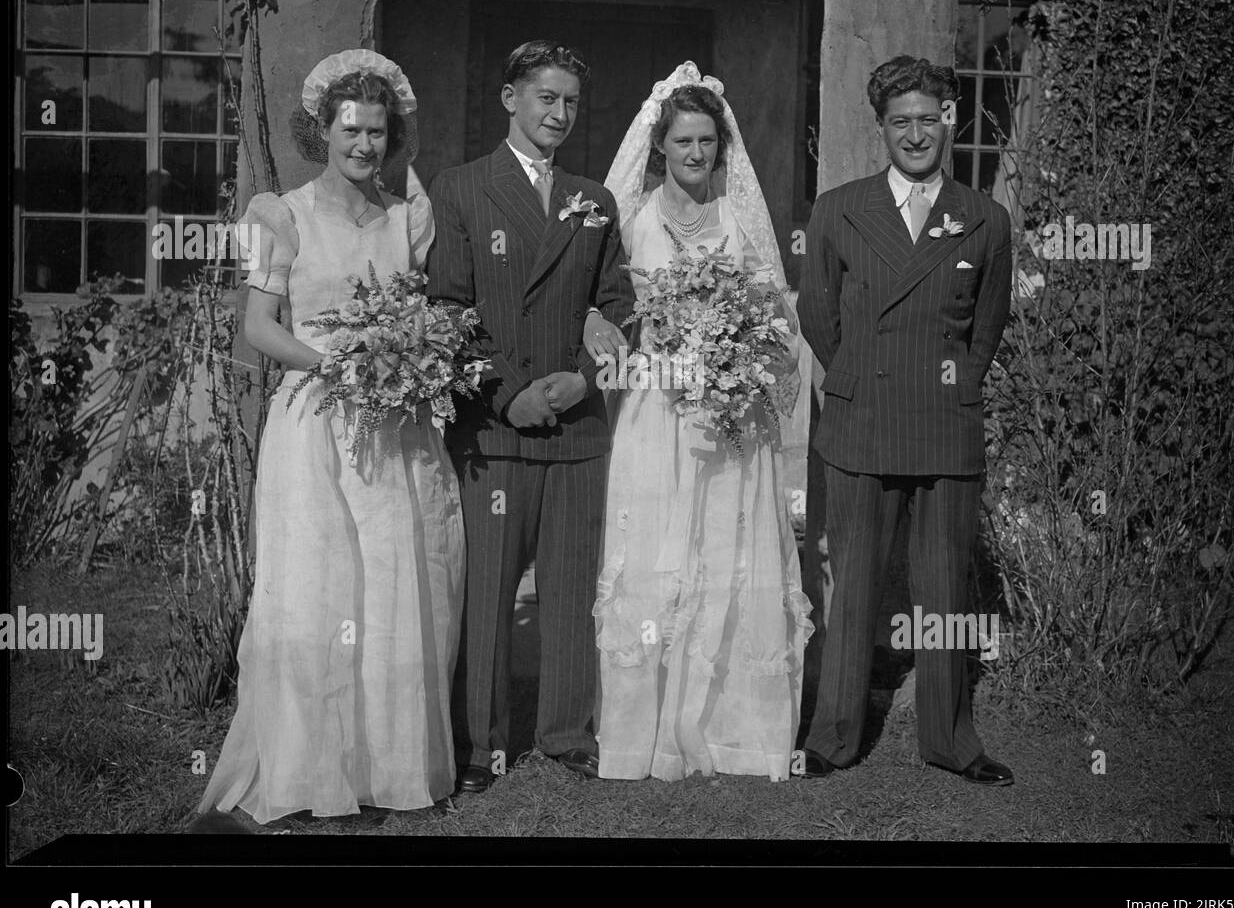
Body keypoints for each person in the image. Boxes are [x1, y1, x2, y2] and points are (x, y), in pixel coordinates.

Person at [196, 49, 465, 824]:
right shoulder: (279, 214)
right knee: (318, 590)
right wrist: (336, 366)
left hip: (391, 430)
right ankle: (312, 768)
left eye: (378, 132)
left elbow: (412, 311)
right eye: (350, 129)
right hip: (315, 421)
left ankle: (385, 765)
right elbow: (256, 328)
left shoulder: (404, 218)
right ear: (323, 128)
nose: (364, 145)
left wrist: (408, 359)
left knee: (388, 586)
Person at [585, 62, 813, 782]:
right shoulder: (631, 218)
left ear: (722, 147)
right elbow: (601, 300)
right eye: (682, 141)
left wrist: (740, 346)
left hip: (728, 413)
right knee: (656, 555)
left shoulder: (740, 222)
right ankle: (643, 732)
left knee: (725, 551)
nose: (694, 154)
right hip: (655, 408)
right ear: (660, 147)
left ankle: (730, 727)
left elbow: (776, 310)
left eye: (706, 142)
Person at [796, 54, 1014, 784]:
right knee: (853, 582)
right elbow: (817, 314)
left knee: (945, 588)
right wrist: (857, 378)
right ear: (880, 127)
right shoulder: (838, 207)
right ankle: (833, 737)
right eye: (901, 122)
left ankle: (952, 739)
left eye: (929, 118)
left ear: (947, 119)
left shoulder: (984, 218)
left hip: (945, 425)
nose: (916, 133)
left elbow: (987, 328)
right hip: (861, 422)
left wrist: (950, 387)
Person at [427, 41, 636, 792]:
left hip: (578, 428)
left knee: (572, 586)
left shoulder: (594, 200)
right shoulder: (460, 189)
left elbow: (620, 306)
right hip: (496, 428)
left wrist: (583, 383)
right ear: (509, 97)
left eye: (571, 102)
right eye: (545, 97)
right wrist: (510, 391)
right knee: (487, 590)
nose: (559, 113)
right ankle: (480, 742)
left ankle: (566, 731)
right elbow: (449, 307)